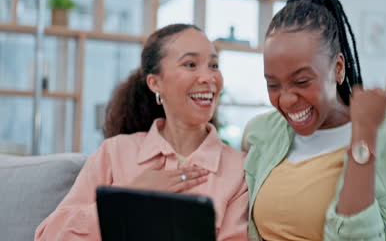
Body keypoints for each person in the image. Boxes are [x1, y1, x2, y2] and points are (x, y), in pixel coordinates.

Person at [242, 0, 386, 241]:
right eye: (273, 84)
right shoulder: (262, 132)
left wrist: (363, 136)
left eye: (302, 81)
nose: (285, 99)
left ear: (338, 68)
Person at [35, 24, 248, 241]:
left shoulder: (239, 169)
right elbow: (49, 236)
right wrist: (127, 198)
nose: (208, 77)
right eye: (190, 64)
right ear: (155, 83)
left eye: (214, 65)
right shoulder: (114, 152)